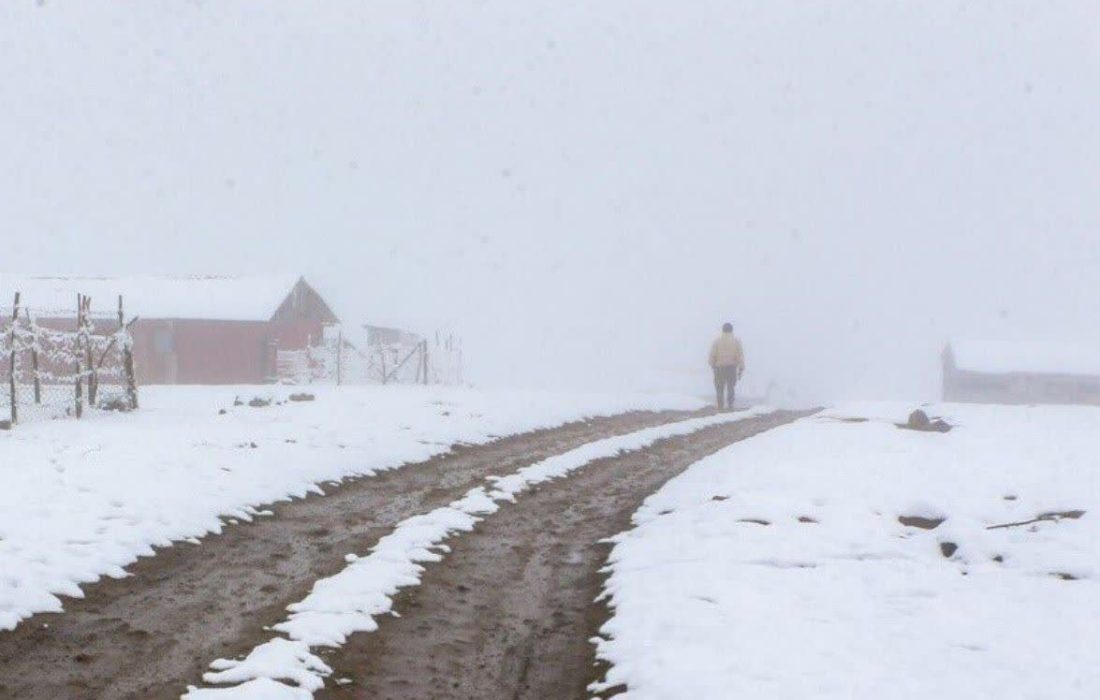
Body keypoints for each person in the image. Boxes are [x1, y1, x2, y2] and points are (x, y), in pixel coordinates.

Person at [708, 322, 745, 410]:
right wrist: (741, 368)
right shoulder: (736, 341)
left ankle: (720, 406)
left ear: (723, 330)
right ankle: (730, 405)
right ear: (731, 330)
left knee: (719, 388)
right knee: (731, 387)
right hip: (731, 368)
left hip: (719, 368)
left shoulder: (717, 341)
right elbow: (740, 356)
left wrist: (713, 365)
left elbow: (712, 355)